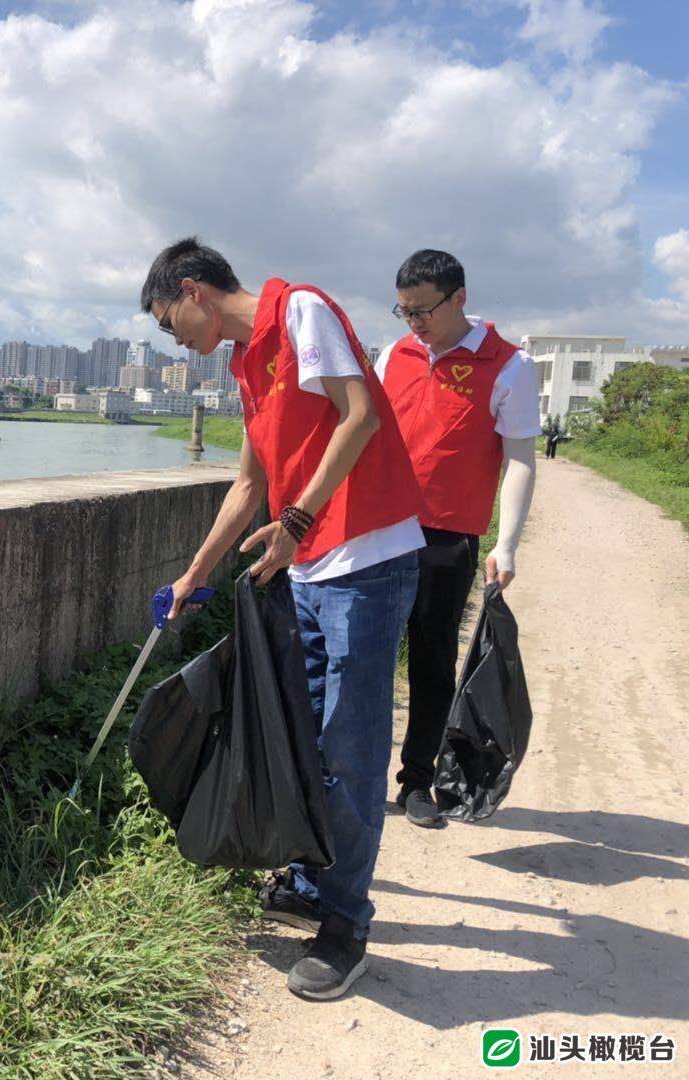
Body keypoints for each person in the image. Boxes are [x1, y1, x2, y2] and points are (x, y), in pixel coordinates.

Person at [143, 237, 423, 1000]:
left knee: (351, 747)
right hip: (307, 567)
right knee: (302, 732)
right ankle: (307, 880)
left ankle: (346, 925)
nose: (176, 340)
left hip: (365, 558)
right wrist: (195, 574)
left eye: (170, 323)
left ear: (194, 291)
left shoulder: (299, 312)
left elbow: (360, 417)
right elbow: (248, 484)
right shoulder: (245, 363)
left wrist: (296, 519)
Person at [377, 250, 539, 828]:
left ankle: (417, 780)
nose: (414, 322)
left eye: (423, 310)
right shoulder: (393, 355)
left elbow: (520, 459)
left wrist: (507, 542)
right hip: (379, 528)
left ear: (459, 298)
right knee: (364, 653)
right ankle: (353, 776)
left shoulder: (509, 365)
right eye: (405, 311)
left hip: (448, 535)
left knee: (431, 656)